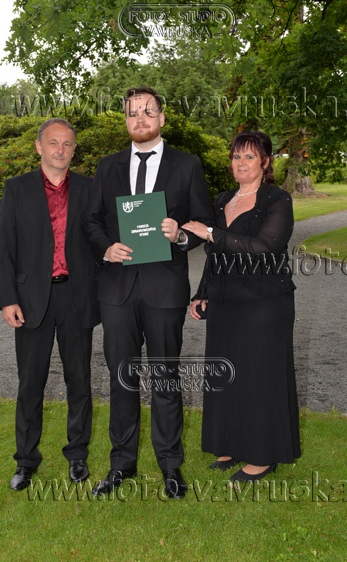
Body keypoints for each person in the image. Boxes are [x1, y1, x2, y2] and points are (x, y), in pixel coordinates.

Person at [84, 87, 213, 498]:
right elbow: (92, 221)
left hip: (164, 288)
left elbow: (203, 221)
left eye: (148, 111)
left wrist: (181, 235)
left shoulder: (187, 164)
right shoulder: (107, 166)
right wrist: (106, 247)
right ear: (125, 120)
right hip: (117, 290)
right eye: (132, 113)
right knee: (121, 379)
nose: (140, 119)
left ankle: (170, 467)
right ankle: (120, 464)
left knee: (165, 377)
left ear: (161, 118)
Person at [183, 130, 301, 482]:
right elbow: (215, 255)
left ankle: (263, 455)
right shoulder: (223, 200)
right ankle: (230, 444)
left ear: (265, 162)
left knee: (258, 376)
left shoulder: (277, 199)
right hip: (226, 304)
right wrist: (202, 293)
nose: (241, 163)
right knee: (227, 376)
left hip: (264, 303)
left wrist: (211, 233)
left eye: (249, 156)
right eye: (236, 157)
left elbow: (264, 247)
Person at [0, 118, 100, 491]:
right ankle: (26, 461)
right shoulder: (17, 188)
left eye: (67, 144)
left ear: (74, 150)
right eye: (54, 142)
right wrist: (8, 299)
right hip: (31, 300)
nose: (61, 149)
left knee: (80, 381)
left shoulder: (90, 189)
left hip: (77, 297)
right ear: (39, 146)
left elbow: (103, 239)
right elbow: (5, 248)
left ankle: (77, 455)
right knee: (30, 383)